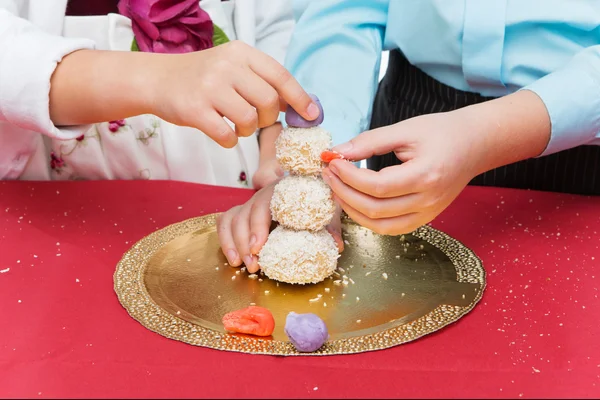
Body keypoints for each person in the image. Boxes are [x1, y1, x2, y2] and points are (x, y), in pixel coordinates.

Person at [217, 0, 600, 273]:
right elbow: (344, 10)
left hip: (581, 151)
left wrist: (484, 135)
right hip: (408, 120)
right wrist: (321, 166)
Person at [0, 0, 318, 188]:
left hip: (234, 186)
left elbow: (271, 24)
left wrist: (272, 141)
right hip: (76, 205)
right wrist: (158, 77)